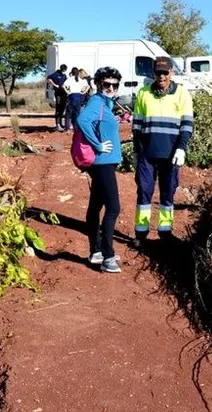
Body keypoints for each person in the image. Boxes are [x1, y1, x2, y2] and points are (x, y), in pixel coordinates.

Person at [131, 57, 193, 246]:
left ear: (171, 73)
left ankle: (165, 232)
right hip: (147, 154)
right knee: (144, 191)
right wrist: (136, 151)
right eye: (158, 72)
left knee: (168, 192)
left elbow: (187, 124)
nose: (162, 76)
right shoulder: (143, 93)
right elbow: (137, 126)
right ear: (153, 73)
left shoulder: (182, 94)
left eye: (165, 72)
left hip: (171, 153)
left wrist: (181, 148)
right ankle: (141, 232)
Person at [77, 67, 123, 273]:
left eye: (115, 85)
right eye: (107, 84)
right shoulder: (97, 102)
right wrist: (97, 144)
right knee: (113, 208)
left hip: (105, 162)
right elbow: (82, 120)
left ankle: (96, 251)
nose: (111, 88)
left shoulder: (105, 103)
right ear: (98, 84)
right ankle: (108, 256)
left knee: (95, 205)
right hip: (102, 163)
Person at [47, 64, 68, 131]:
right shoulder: (56, 74)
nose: (64, 71)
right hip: (58, 94)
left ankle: (60, 123)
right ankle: (57, 124)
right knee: (58, 108)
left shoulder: (64, 75)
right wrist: (55, 85)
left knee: (62, 109)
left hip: (64, 94)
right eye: (64, 69)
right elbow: (48, 78)